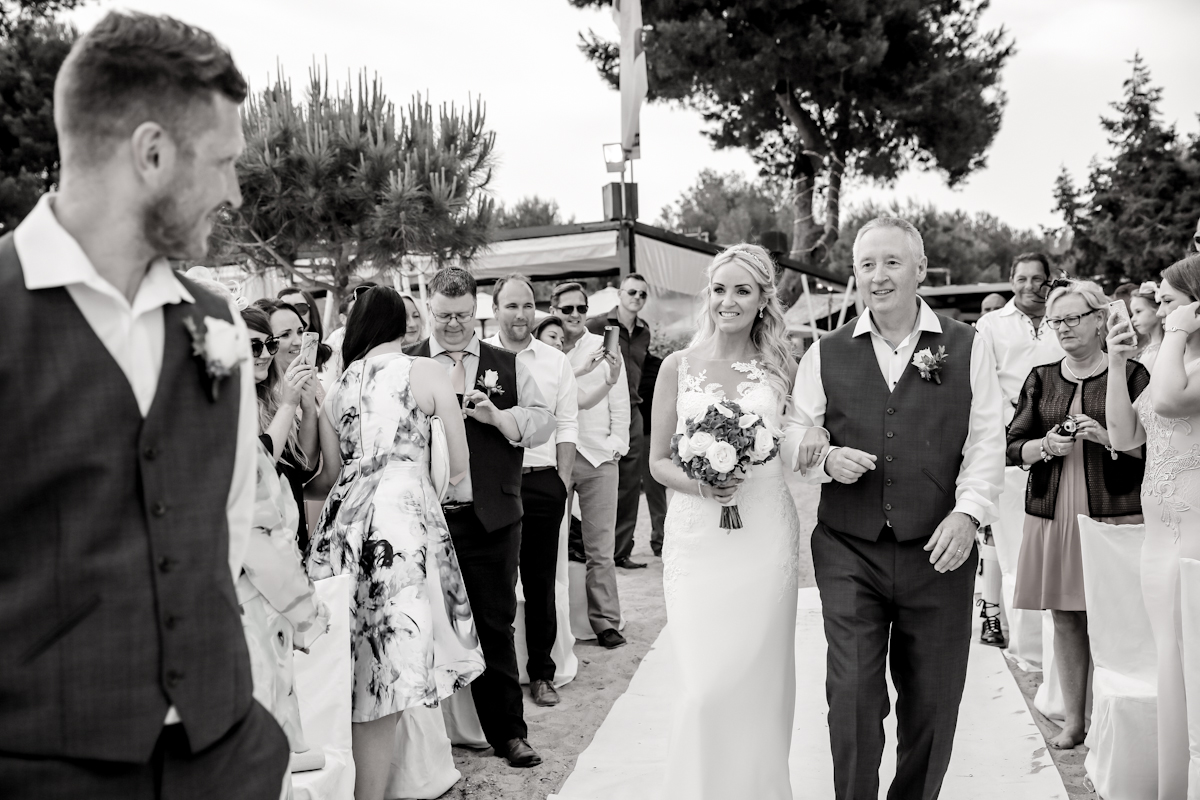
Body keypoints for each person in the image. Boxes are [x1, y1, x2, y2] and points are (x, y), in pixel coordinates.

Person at [0, 11, 290, 797]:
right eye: (224, 163)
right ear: (152, 153)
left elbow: (228, 526)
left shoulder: (217, 323)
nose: (235, 192)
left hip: (222, 753)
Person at [794, 217, 1004, 800]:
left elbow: (987, 441)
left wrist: (968, 513)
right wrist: (824, 456)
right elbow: (795, 430)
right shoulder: (825, 352)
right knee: (853, 694)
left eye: (891, 262)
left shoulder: (968, 345)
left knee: (933, 701)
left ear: (920, 268)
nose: (878, 276)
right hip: (848, 547)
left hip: (938, 551)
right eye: (867, 265)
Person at [306, 287, 485, 800]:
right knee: (391, 665)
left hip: (344, 525)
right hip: (401, 523)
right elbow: (459, 463)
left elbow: (330, 474)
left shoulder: (338, 385)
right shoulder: (425, 371)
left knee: (355, 659)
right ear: (397, 325)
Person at [647, 243, 802, 799]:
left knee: (758, 677)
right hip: (697, 541)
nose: (727, 301)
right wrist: (702, 484)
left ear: (763, 300)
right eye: (719, 289)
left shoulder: (781, 367)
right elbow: (657, 461)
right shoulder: (677, 366)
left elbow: (801, 437)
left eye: (742, 290)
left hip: (764, 535)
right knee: (704, 688)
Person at [404, 268, 556, 768]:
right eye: (443, 315)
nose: (453, 325)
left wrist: (498, 416)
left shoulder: (506, 364)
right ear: (429, 310)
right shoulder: (407, 365)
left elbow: (542, 421)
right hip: (426, 520)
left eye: (463, 315)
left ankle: (509, 734)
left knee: (494, 625)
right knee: (424, 627)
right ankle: (430, 747)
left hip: (492, 515)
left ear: (477, 312)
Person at [1007, 280, 1148, 749]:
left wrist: (1107, 437)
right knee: (1066, 617)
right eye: (1056, 321)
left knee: (1115, 617)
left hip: (1114, 511)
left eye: (1072, 318)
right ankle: (1074, 720)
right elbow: (1012, 446)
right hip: (1054, 512)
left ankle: (1117, 725)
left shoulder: (1132, 374)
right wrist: (1046, 444)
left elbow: (1158, 449)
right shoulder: (1041, 378)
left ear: (1099, 319)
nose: (1063, 328)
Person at [1106, 254, 1200, 799]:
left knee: (1194, 664)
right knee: (1172, 662)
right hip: (1159, 538)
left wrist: (1178, 332)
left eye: (1168, 301)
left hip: (1195, 539)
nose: (1158, 311)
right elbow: (1124, 437)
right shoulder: (1169, 357)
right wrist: (1117, 363)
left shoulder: (1184, 362)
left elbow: (1167, 401)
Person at [484, 274, 579, 708]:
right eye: (511, 305)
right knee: (497, 585)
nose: (521, 314)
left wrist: (562, 481)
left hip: (542, 481)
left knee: (541, 583)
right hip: (494, 483)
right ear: (495, 309)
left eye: (527, 305)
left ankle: (542, 673)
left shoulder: (555, 361)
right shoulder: (479, 356)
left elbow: (568, 422)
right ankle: (498, 680)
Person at [974, 252, 1065, 650]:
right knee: (1005, 536)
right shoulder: (992, 324)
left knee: (1052, 537)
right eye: (1021, 278)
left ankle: (1051, 632)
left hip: (1061, 441)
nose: (1029, 285)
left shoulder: (1062, 319)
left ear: (1048, 280)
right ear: (1011, 280)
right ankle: (1000, 619)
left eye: (1036, 278)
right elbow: (981, 385)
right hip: (1009, 442)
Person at [554, 282, 630, 650]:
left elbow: (620, 399)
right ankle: (557, 624)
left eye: (581, 308)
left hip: (600, 457)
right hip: (558, 457)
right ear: (554, 309)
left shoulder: (604, 345)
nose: (574, 315)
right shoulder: (546, 349)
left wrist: (617, 445)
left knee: (600, 548)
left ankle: (606, 622)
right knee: (554, 546)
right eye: (567, 308)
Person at [589, 273, 652, 569]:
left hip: (633, 412)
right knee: (602, 481)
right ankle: (599, 550)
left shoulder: (644, 331)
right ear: (620, 294)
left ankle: (622, 552)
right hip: (604, 411)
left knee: (630, 484)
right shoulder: (598, 326)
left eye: (642, 294)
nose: (637, 297)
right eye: (632, 292)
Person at [254, 297, 321, 547]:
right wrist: (290, 404)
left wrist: (309, 407)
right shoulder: (248, 398)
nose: (298, 341)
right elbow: (260, 465)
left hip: (294, 534)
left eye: (301, 331)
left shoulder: (285, 393)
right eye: (284, 335)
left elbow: (305, 465)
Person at [639, 351, 669, 557]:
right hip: (623, 433)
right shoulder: (621, 366)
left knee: (655, 490)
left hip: (650, 435)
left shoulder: (658, 366)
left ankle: (660, 539)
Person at [322, 281, 376, 389]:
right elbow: (329, 386)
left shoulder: (379, 337)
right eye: (355, 313)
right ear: (343, 318)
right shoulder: (333, 345)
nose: (363, 317)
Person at [1130, 280, 1164, 371]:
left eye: (1138, 311)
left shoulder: (1168, 348)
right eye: (1132, 314)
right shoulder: (1145, 347)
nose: (1132, 319)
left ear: (1157, 309)